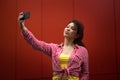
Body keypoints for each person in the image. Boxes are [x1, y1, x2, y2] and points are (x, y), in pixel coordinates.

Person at [18, 12, 89, 80]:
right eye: (67, 26)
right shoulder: (54, 48)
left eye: (72, 28)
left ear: (77, 35)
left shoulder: (82, 51)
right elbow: (35, 43)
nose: (68, 29)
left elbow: (85, 74)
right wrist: (22, 26)